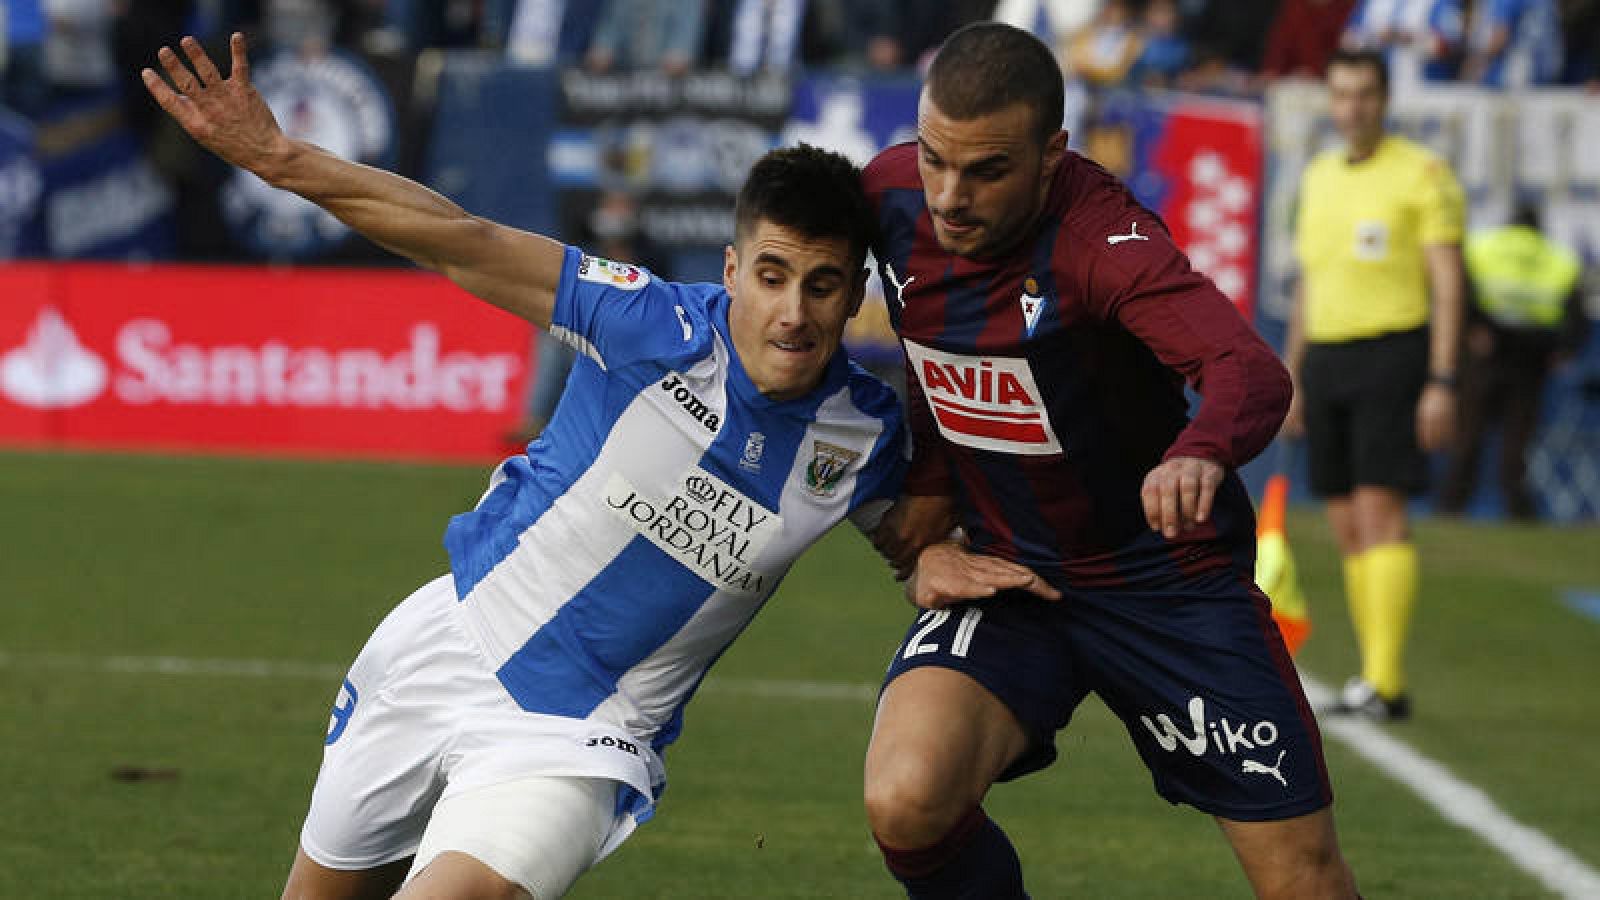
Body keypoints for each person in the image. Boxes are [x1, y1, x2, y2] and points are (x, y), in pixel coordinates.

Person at [143, 33, 913, 899]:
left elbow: (927, 541)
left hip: (581, 735)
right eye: (772, 276)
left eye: (822, 285)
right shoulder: (648, 325)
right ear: (732, 270)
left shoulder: (869, 435)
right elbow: (457, 240)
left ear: (855, 296)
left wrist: (943, 559)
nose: (793, 312)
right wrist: (280, 158)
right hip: (448, 642)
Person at [859, 22, 1359, 900]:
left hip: (1166, 587)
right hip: (1014, 577)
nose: (950, 196)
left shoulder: (1103, 242)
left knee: (1302, 879)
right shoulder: (887, 199)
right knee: (907, 798)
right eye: (936, 159)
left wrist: (1201, 450)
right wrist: (921, 517)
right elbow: (897, 347)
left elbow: (1246, 368)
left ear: (1052, 153)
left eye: (986, 171)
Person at [1283, 47, 1466, 721]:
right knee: (1344, 521)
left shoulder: (1421, 173)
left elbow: (1447, 280)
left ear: (1384, 100)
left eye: (1363, 93)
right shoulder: (1320, 174)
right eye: (1340, 94)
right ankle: (1372, 675)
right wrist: (1294, 375)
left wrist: (1441, 378)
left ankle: (1385, 680)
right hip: (1327, 357)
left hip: (1392, 352)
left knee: (1379, 511)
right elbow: (1308, 283)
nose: (1351, 106)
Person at [1437, 204, 1588, 520]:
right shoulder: (1559, 259)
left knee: (1468, 437)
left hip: (1485, 352)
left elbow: (1458, 292)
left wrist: (1472, 329)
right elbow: (1577, 314)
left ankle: (1452, 507)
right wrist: (1564, 350)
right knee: (1517, 442)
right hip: (1531, 360)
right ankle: (1519, 513)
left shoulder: (1484, 247)